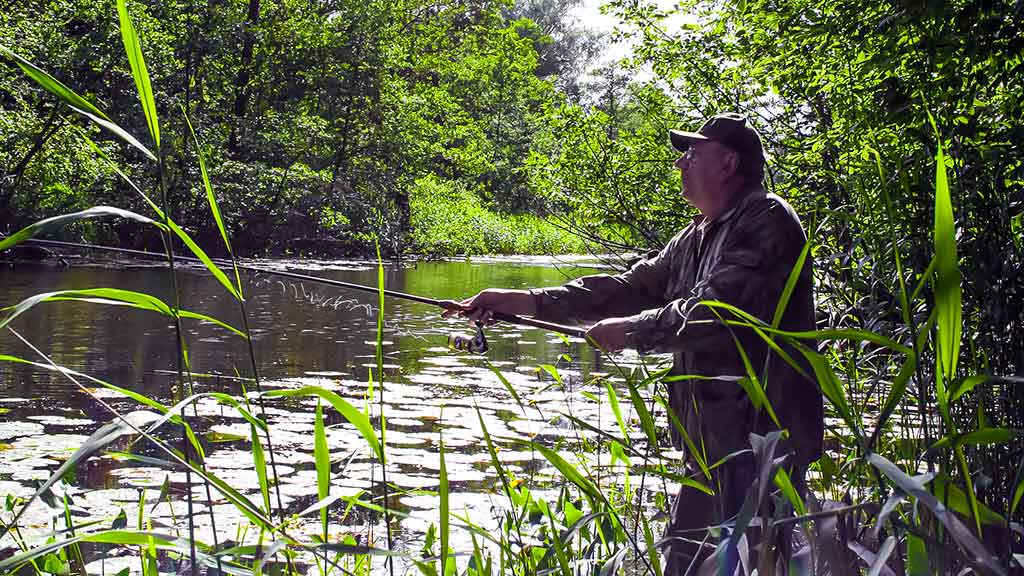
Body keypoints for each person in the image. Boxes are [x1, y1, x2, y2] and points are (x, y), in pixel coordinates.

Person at [447, 112, 822, 574]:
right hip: (710, 442)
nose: (680, 163)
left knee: (757, 560)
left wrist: (632, 330)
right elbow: (630, 287)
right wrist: (528, 301)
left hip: (761, 442)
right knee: (686, 562)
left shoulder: (767, 220)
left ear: (727, 164)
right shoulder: (696, 234)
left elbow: (717, 311)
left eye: (692, 153)